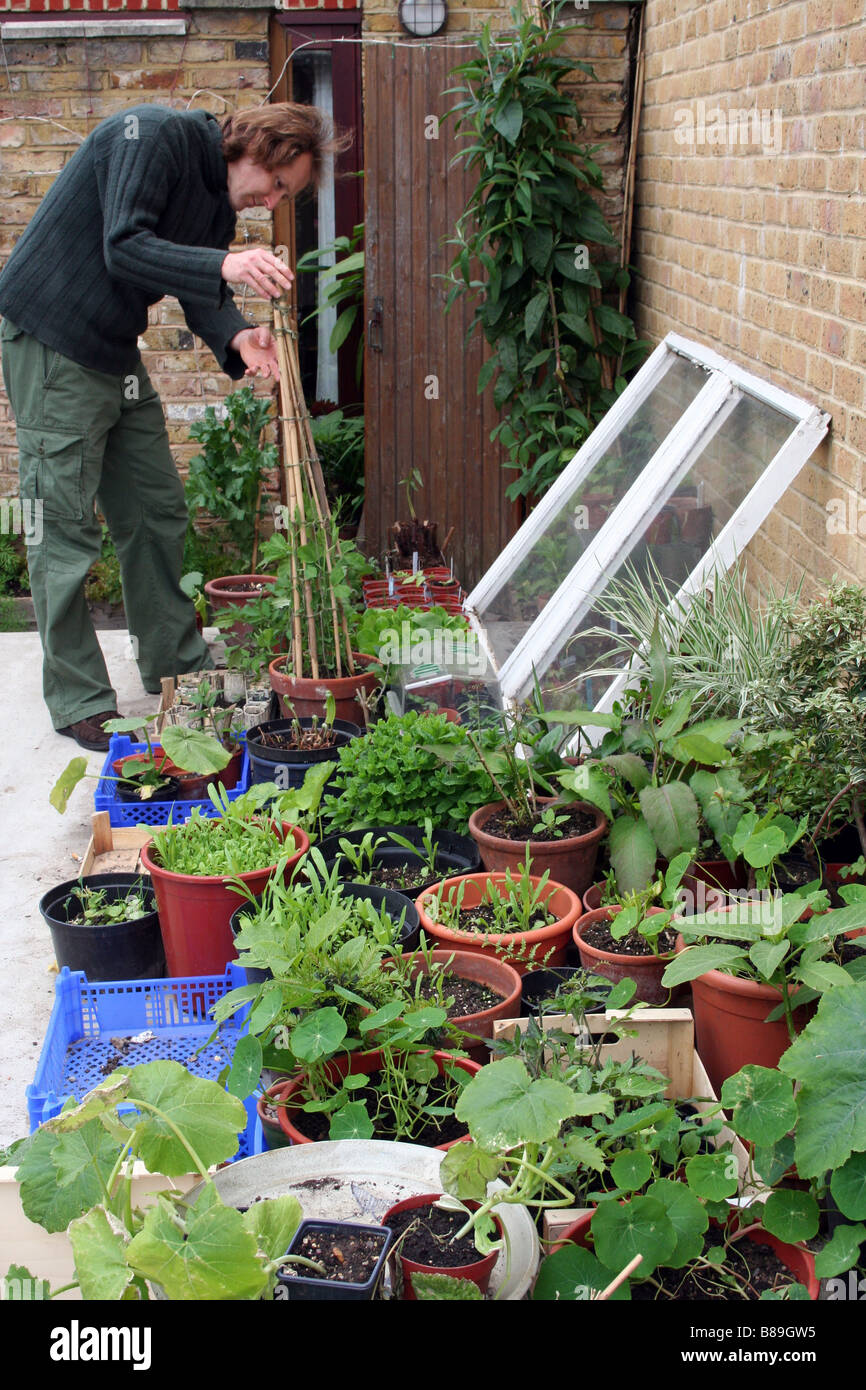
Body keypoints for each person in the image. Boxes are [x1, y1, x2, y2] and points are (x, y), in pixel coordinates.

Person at [0, 101, 340, 750]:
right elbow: (125, 245)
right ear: (261, 149)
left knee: (156, 508)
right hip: (53, 338)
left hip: (112, 350)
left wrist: (239, 336)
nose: (272, 202)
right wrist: (226, 264)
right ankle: (79, 698)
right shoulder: (152, 136)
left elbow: (198, 294)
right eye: (278, 186)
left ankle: (177, 668)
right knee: (65, 527)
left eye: (284, 196)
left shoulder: (216, 202)